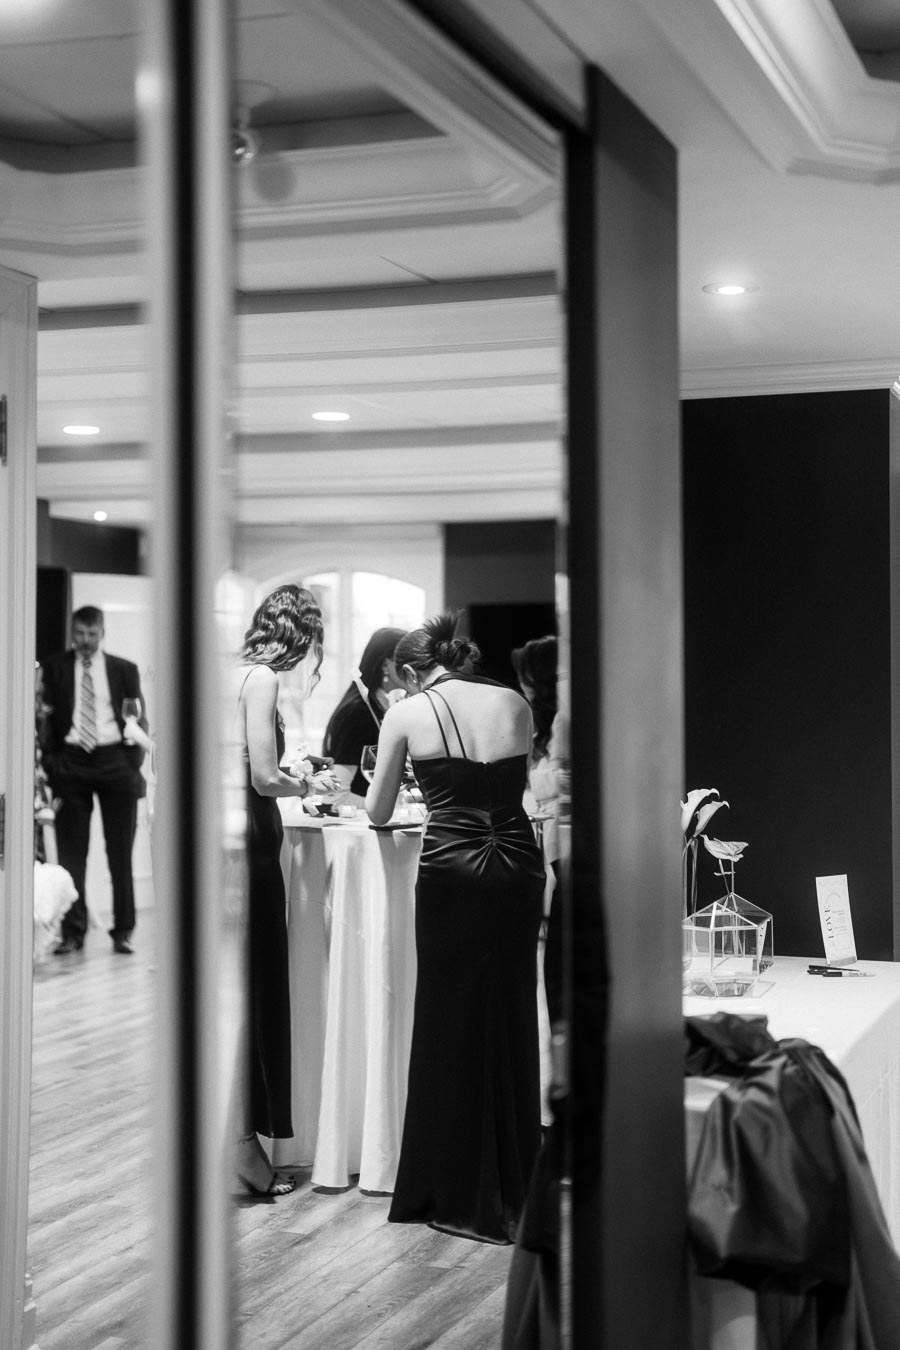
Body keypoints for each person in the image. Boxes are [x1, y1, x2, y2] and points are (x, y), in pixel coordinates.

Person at [366, 611, 546, 1244]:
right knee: (511, 1014)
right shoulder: (514, 703)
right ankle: (518, 1181)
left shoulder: (406, 712)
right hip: (519, 865)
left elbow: (378, 810)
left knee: (447, 1022)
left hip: (452, 869)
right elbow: (519, 786)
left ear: (413, 671)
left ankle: (453, 1186)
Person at [233, 583, 339, 1198]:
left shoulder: (233, 675)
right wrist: (303, 785)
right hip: (252, 839)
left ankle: (231, 1136)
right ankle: (245, 1146)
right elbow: (263, 775)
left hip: (227, 839)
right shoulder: (263, 682)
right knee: (258, 985)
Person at [40, 605, 149, 956]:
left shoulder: (124, 669)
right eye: (79, 634)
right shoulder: (55, 667)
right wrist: (53, 762)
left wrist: (131, 764)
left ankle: (124, 931)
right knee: (73, 854)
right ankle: (73, 932)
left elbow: (137, 719)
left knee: (120, 852)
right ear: (73, 632)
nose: (85, 641)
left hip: (114, 759)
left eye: (91, 634)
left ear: (102, 632)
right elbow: (46, 718)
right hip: (70, 762)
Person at [321, 626, 407, 806]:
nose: (412, 668)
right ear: (385, 665)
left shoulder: (382, 707)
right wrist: (394, 805)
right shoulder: (358, 713)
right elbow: (335, 798)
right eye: (406, 660)